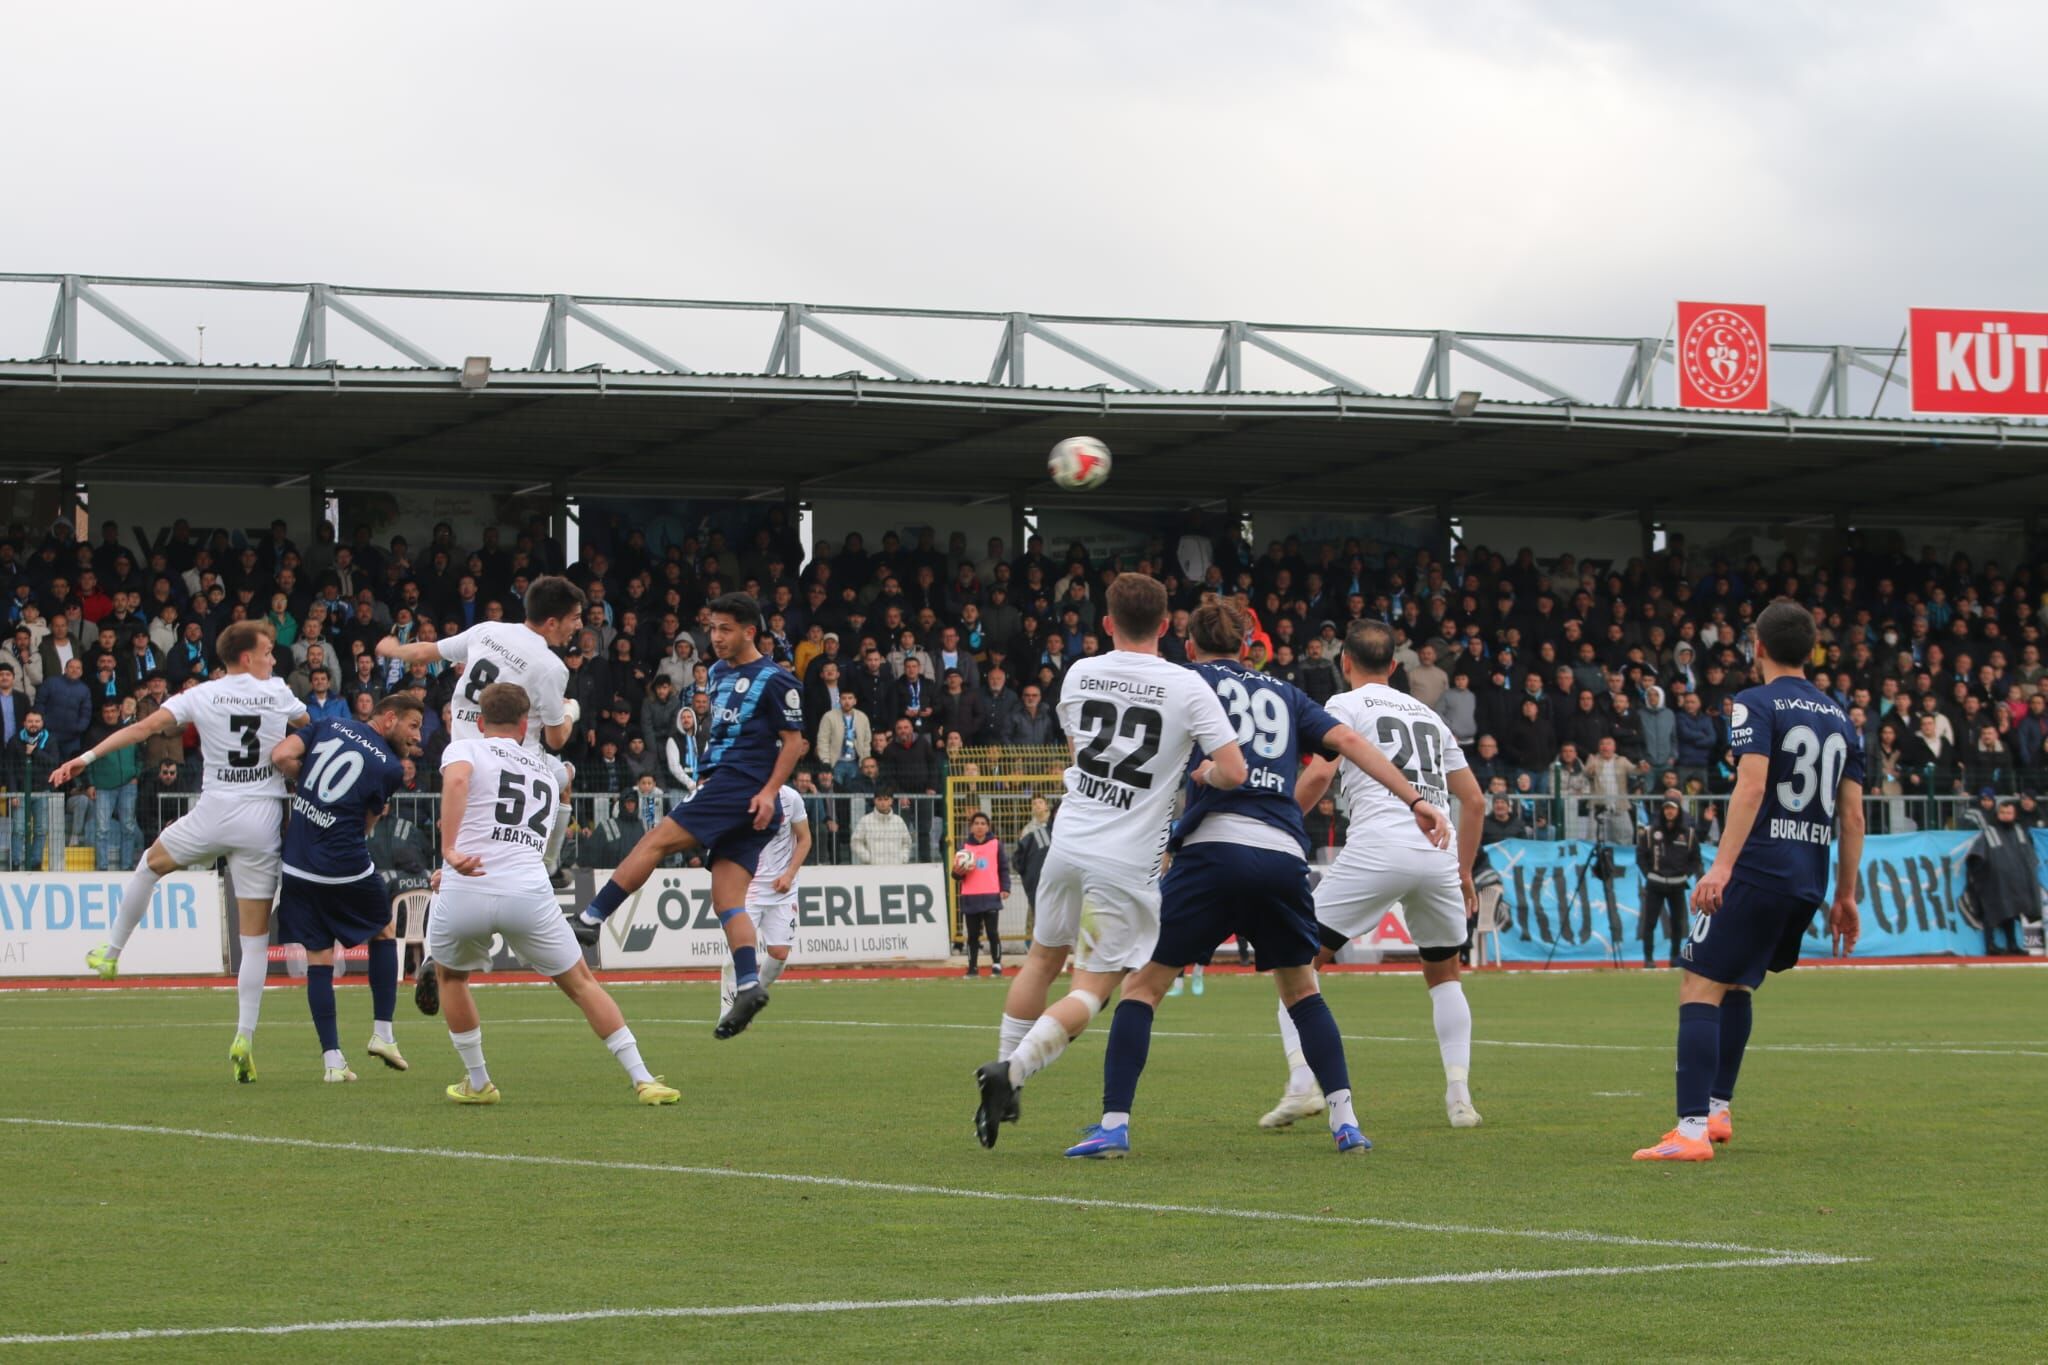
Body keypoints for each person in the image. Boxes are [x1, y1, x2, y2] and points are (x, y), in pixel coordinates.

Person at [1065, 599, 1450, 1159]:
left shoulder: (1185, 680)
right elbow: (1349, 744)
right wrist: (1415, 798)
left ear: (1189, 645)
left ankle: (1114, 1125)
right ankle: (1347, 1121)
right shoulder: (1286, 693)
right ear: (1247, 646)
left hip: (1213, 850)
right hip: (1280, 855)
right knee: (1302, 990)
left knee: (1142, 988)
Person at [971, 573, 1248, 1150]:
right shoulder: (1186, 685)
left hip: (1068, 843)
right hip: (1124, 863)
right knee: (1094, 989)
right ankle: (1013, 1071)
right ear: (1169, 624)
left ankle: (1005, 1072)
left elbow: (1080, 751)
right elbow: (1234, 770)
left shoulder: (1079, 672)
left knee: (1041, 961)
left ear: (1105, 623)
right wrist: (1201, 774)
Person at [1633, 599, 1864, 1162]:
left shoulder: (1755, 704)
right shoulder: (1840, 717)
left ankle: (1689, 1132)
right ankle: (1716, 1109)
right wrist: (1846, 894)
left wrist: (1721, 866)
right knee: (1736, 983)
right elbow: (1853, 815)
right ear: (1811, 650)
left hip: (1759, 866)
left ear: (1755, 646)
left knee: (1699, 984)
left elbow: (1752, 786)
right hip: (1807, 875)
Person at [59, 621, 309, 1082]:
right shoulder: (278, 692)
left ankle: (112, 952)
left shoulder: (203, 694)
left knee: (150, 866)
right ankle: (244, 1036)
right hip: (262, 820)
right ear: (249, 658)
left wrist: (86, 758)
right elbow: (310, 731)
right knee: (254, 939)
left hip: (213, 813)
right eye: (269, 651)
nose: (274, 659)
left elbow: (142, 730)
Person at [570, 594, 807, 1041]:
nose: (714, 638)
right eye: (711, 628)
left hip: (740, 784)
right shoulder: (716, 673)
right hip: (731, 788)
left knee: (655, 840)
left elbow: (793, 743)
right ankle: (749, 985)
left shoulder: (778, 680)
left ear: (749, 632)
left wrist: (770, 792)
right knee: (728, 899)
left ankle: (591, 919)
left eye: (725, 629)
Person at [427, 683, 678, 1106]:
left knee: (450, 977)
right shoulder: (546, 768)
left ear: (480, 721)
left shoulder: (465, 750)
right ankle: (643, 1077)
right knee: (582, 983)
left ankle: (477, 1082)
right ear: (526, 723)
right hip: (528, 889)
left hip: (466, 884)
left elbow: (456, 783)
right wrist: (568, 715)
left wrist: (450, 851)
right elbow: (569, 778)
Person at [1283, 620, 1488, 1130]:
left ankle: (1302, 1086)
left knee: (1298, 962)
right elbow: (1475, 801)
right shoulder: (1429, 715)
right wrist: (1463, 872)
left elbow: (1320, 774)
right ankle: (1460, 1096)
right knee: (1443, 973)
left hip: (1379, 844)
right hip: (1437, 850)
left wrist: (1278, 823)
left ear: (1344, 662)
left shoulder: (1343, 706)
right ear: (1395, 667)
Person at [377, 576, 585, 882]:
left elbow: (425, 652)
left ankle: (452, 872)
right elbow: (556, 738)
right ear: (553, 622)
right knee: (565, 774)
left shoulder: (488, 630)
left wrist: (395, 651)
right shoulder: (551, 667)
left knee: (472, 837)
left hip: (465, 755)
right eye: (575, 618)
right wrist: (571, 710)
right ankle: (548, 865)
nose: (578, 626)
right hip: (516, 763)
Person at [269, 694, 423, 1081]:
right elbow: (367, 826)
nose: (416, 736)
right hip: (342, 867)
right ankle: (383, 1033)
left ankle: (333, 1062)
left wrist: (308, 786)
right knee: (384, 929)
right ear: (389, 719)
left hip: (298, 864)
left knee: (318, 956)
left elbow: (280, 757)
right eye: (413, 726)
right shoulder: (389, 767)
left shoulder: (326, 725)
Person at [718, 785, 810, 1014]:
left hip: (783, 890)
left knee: (779, 954)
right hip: (748, 887)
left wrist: (789, 875)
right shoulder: (742, 795)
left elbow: (805, 839)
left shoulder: (791, 798)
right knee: (737, 952)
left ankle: (749, 998)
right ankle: (726, 1014)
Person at [1964, 795, 2037, 956]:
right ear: (1998, 814)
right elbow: (1976, 855)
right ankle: (1990, 945)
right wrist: (1983, 874)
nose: (2005, 816)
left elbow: (2029, 856)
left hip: (2015, 881)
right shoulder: (1989, 832)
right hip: (1993, 881)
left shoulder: (2019, 831)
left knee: (2012, 911)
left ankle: (2012, 944)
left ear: (2014, 814)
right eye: (2003, 812)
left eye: (2009, 813)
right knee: (1991, 911)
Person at [1635, 797, 1701, 968]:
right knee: (1650, 921)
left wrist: (1686, 874)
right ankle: (1648, 959)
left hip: (1677, 883)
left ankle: (1674, 957)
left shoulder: (1688, 834)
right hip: (1655, 883)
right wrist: (1648, 874)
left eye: (1672, 809)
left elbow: (1695, 859)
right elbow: (1641, 856)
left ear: (1678, 811)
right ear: (1662, 811)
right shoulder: (1650, 832)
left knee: (1677, 922)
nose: (1669, 812)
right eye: (1666, 809)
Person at [953, 811, 1010, 978]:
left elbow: (1003, 868)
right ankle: (972, 968)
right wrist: (958, 872)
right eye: (976, 823)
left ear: (988, 827)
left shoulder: (995, 844)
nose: (979, 826)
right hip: (970, 896)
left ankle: (997, 965)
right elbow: (956, 875)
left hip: (991, 895)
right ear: (971, 827)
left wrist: (1005, 887)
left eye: (983, 823)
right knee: (972, 936)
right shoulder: (964, 847)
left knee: (992, 933)